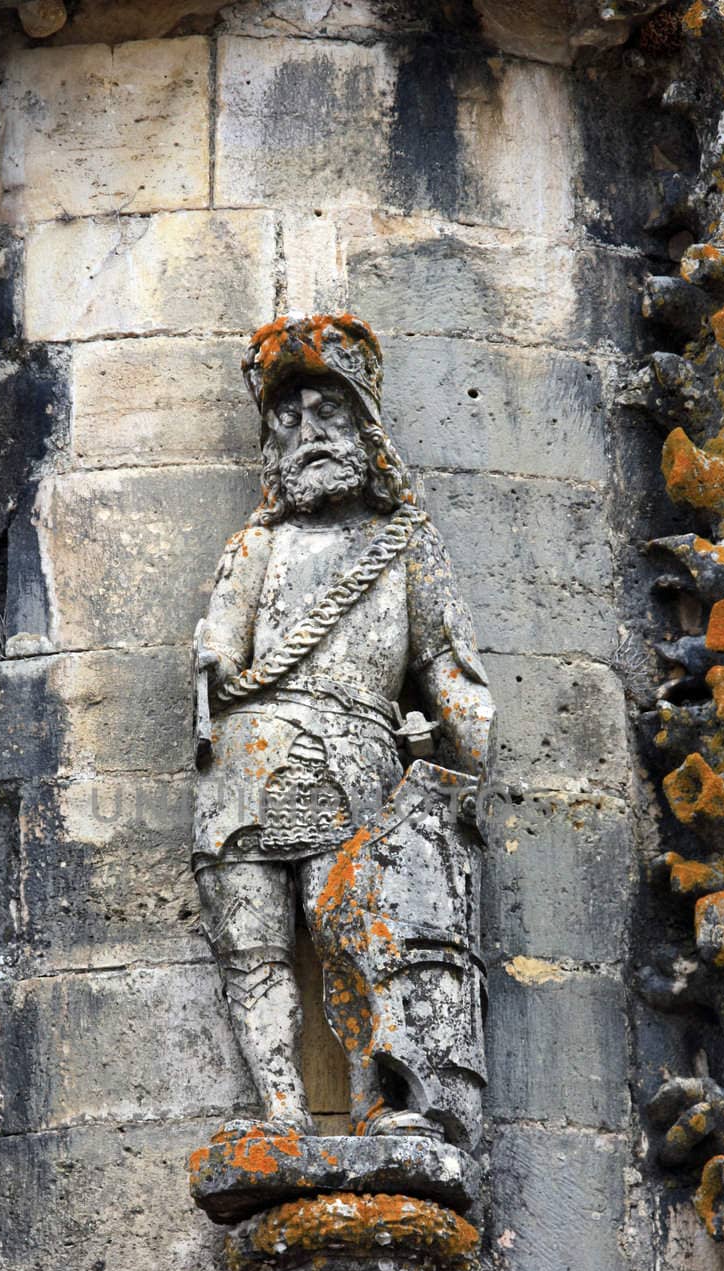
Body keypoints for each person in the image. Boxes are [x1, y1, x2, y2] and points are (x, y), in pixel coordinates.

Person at [192, 313, 494, 1146]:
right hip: (245, 766)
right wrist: (213, 660)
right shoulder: (256, 545)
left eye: (327, 415)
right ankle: (282, 1112)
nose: (306, 435)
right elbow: (223, 639)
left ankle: (375, 1100)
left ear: (366, 429)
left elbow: (444, 663)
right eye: (287, 420)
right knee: (250, 946)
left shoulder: (404, 545)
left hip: (349, 757)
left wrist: (464, 748)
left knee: (351, 935)